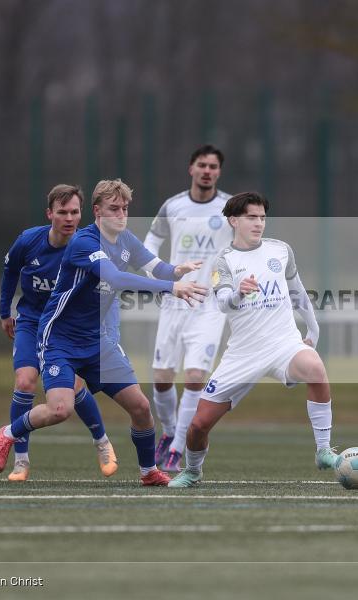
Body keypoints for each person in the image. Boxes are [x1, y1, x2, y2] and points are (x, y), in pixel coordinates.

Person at [0, 179, 206, 486]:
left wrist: (176, 271)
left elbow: (155, 266)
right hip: (59, 340)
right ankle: (9, 432)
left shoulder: (126, 240)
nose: (121, 214)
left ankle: (148, 472)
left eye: (125, 208)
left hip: (97, 341)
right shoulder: (84, 243)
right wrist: (172, 288)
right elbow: (115, 279)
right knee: (59, 410)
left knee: (142, 407)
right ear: (97, 212)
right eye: (113, 208)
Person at [168, 191, 334, 488]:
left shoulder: (281, 250)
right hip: (242, 355)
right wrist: (239, 292)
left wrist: (313, 329)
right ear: (233, 221)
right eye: (251, 218)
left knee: (316, 369)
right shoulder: (224, 261)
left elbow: (298, 292)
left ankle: (323, 451)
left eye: (262, 218)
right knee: (198, 425)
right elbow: (223, 304)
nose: (258, 223)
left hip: (284, 344)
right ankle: (193, 471)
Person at [0, 184, 116, 482]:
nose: (69, 218)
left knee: (75, 385)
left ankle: (101, 441)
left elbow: (106, 289)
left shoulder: (88, 248)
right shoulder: (29, 241)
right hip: (30, 321)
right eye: (62, 212)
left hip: (64, 327)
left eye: (75, 212)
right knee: (25, 381)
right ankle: (21, 460)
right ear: (49, 213)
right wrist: (4, 312)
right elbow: (10, 271)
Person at [144, 145, 233, 471]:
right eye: (202, 165)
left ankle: (177, 448)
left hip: (209, 305)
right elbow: (150, 243)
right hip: (175, 299)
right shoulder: (174, 205)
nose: (207, 170)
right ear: (191, 168)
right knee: (162, 379)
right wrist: (160, 274)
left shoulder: (229, 207)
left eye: (213, 166)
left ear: (219, 172)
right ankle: (169, 434)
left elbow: (248, 242)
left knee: (196, 376)